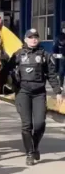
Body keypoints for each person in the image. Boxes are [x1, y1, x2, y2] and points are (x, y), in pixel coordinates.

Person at [7, 28, 62, 166]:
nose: (33, 39)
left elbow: (51, 75)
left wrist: (58, 91)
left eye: (36, 37)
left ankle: (35, 146)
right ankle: (30, 153)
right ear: (25, 39)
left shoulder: (44, 55)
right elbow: (6, 71)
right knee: (27, 125)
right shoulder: (18, 55)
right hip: (23, 92)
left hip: (39, 93)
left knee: (40, 124)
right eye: (30, 37)